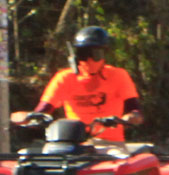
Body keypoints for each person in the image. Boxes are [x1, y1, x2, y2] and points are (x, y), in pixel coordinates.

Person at [11, 25, 143, 142]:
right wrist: (28, 117)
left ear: (104, 54)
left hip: (109, 144)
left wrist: (130, 118)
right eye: (84, 54)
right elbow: (43, 111)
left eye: (95, 54)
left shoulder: (118, 76)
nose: (90, 59)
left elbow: (135, 110)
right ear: (75, 55)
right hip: (74, 143)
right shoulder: (65, 78)